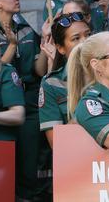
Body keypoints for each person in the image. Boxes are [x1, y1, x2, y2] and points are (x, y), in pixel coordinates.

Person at [0, 0, 50, 201]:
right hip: (3, 102)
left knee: (29, 164)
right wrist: (11, 46)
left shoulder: (26, 29)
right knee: (4, 165)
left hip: (30, 99)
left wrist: (45, 47)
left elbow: (38, 70)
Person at [39, 12, 91, 147]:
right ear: (60, 48)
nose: (85, 42)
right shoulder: (51, 84)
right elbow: (56, 143)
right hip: (75, 157)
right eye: (76, 38)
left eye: (88, 35)